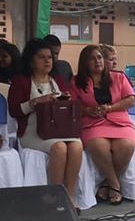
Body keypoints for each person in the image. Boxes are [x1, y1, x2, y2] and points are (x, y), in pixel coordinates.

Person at [8, 39, 83, 204]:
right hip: (32, 132)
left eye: (49, 57)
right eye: (41, 57)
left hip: (59, 129)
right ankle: (53, 195)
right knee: (59, 147)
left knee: (77, 146)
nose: (47, 61)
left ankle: (70, 195)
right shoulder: (21, 81)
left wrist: (65, 100)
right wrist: (35, 102)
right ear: (31, 61)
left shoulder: (58, 80)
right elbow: (14, 110)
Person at [69, 45, 135, 205]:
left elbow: (131, 100)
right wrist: (87, 110)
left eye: (99, 57)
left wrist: (110, 108)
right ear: (84, 63)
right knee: (99, 146)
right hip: (92, 123)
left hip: (120, 122)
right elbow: (72, 106)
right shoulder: (76, 82)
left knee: (127, 146)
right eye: (92, 59)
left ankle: (108, 184)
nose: (97, 61)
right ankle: (115, 185)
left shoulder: (118, 77)